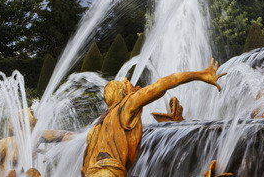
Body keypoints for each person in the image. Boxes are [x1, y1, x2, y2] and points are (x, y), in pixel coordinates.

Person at [81, 59, 226, 177]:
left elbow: (85, 165)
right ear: (123, 93)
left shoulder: (99, 125)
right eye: (129, 84)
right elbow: (162, 84)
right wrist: (199, 74)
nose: (136, 86)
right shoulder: (126, 105)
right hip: (108, 173)